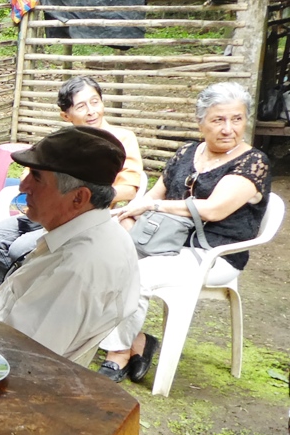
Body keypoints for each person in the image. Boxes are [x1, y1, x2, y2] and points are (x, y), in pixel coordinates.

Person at [97, 82, 271, 382]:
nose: (229, 128)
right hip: (167, 241)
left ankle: (118, 353)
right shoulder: (187, 153)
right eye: (218, 120)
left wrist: (156, 209)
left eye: (237, 119)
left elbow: (214, 209)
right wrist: (128, 215)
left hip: (214, 254)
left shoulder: (253, 162)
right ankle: (138, 339)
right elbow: (154, 195)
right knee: (102, 255)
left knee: (136, 273)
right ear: (201, 122)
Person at [0, 125, 140, 366]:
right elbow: (37, 298)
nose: (23, 188)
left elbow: (25, 361)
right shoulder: (93, 234)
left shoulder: (79, 268)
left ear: (79, 197)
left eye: (36, 177)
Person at [0, 76, 145, 283]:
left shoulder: (121, 139)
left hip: (82, 219)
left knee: (20, 249)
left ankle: (26, 296)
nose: (91, 111)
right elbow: (29, 172)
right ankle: (12, 293)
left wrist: (78, 197)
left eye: (95, 102)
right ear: (66, 115)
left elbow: (129, 189)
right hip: (46, 211)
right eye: (81, 106)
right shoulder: (63, 140)